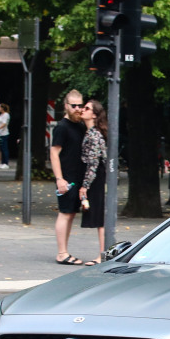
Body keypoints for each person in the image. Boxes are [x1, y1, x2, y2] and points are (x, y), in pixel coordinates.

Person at [50, 90, 88, 265]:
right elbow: (54, 153)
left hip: (78, 176)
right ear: (66, 106)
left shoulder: (80, 125)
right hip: (67, 178)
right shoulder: (62, 127)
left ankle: (64, 250)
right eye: (74, 106)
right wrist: (59, 178)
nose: (78, 109)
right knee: (65, 213)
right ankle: (61, 252)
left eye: (80, 105)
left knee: (71, 213)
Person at [78, 100, 108, 264]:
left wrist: (85, 186)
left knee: (98, 216)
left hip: (96, 177)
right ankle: (102, 254)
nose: (83, 110)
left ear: (94, 115)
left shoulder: (94, 135)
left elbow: (93, 163)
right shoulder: (91, 132)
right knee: (98, 216)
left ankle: (102, 255)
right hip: (96, 176)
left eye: (87, 108)